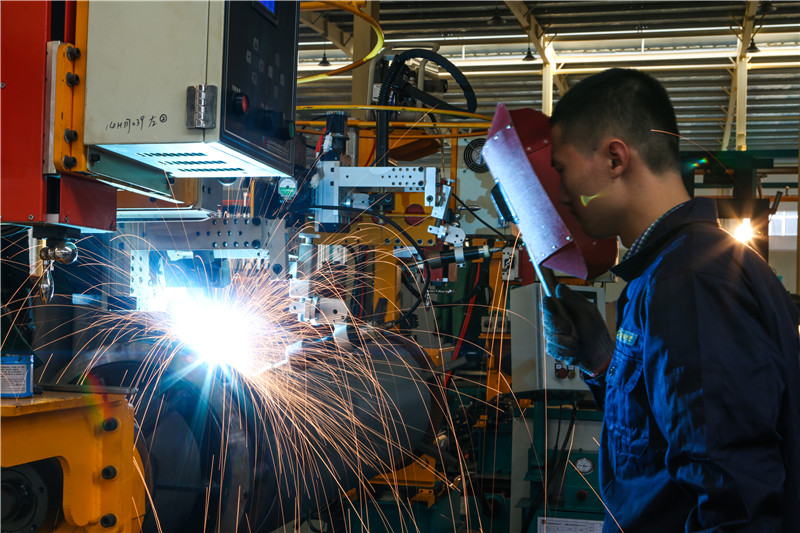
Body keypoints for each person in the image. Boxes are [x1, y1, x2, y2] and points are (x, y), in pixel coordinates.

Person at [541, 68, 800, 532]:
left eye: (563, 169)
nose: (561, 194)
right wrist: (601, 361)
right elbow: (661, 435)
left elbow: (732, 500)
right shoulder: (666, 273)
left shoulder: (689, 282)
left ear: (615, 158)